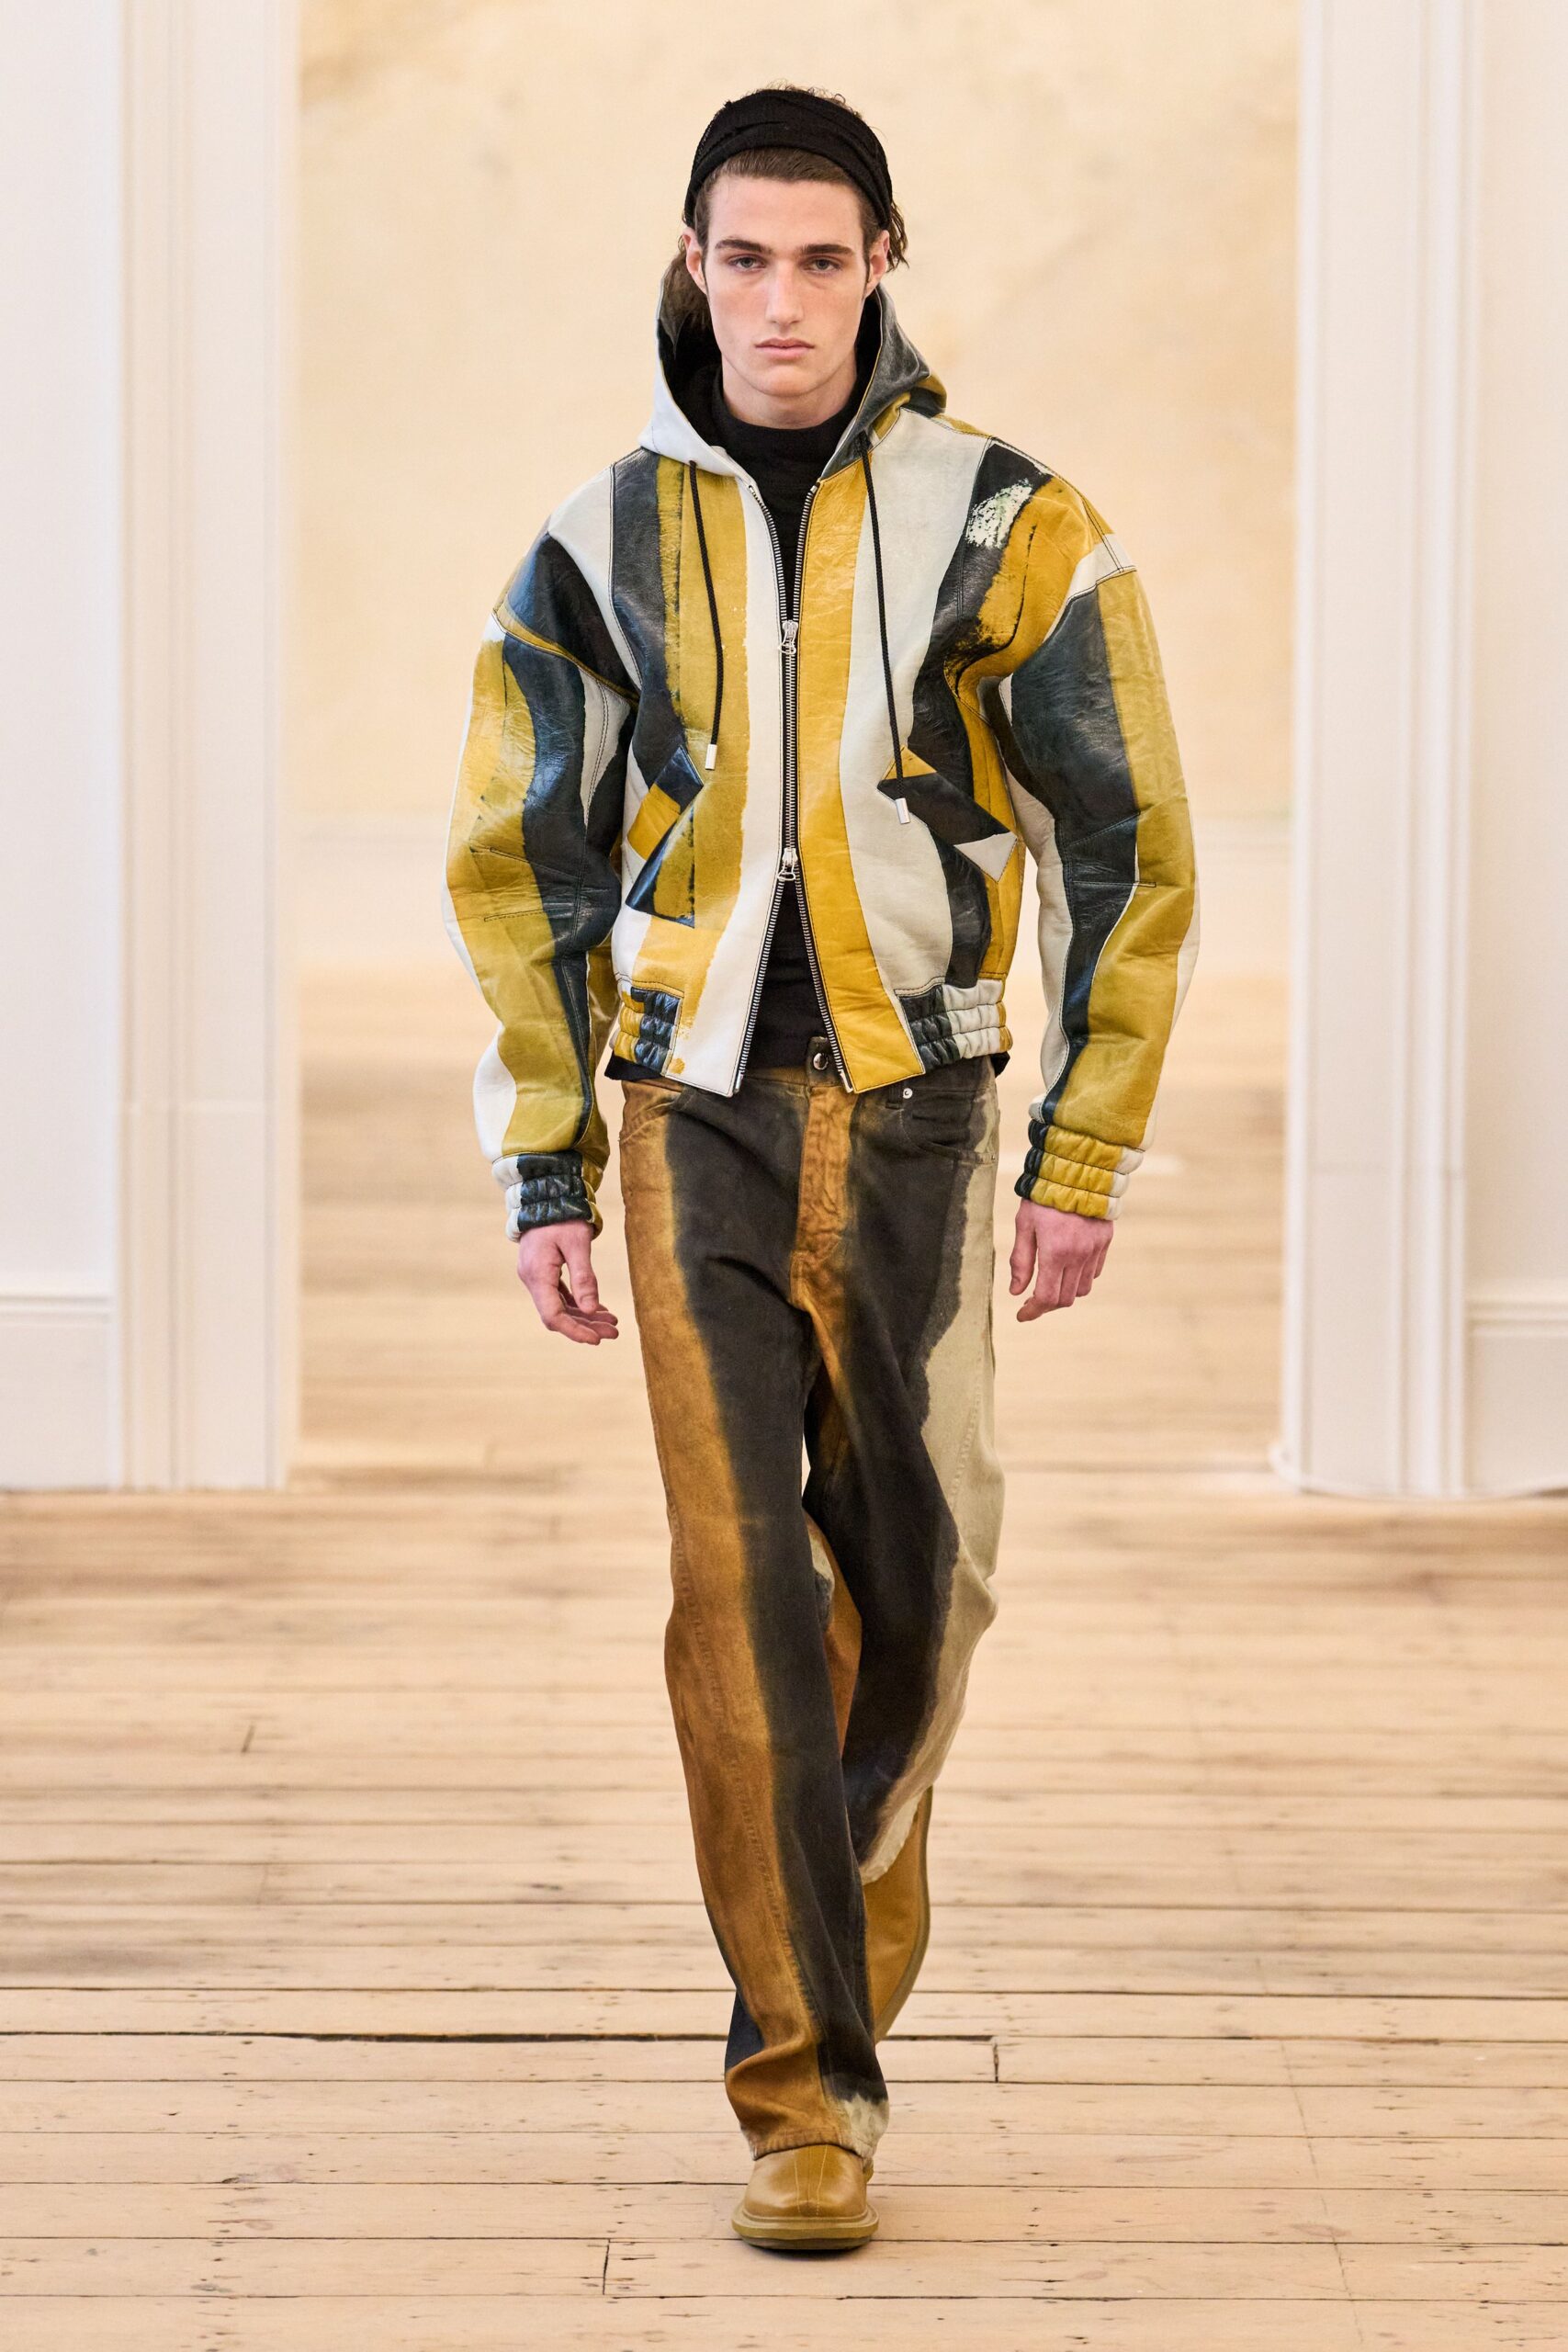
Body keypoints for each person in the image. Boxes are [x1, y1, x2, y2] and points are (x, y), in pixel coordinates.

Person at [444, 83, 1199, 2252]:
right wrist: (543, 1159)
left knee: (922, 1596)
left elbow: (1126, 845)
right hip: (688, 1116)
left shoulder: (1009, 525)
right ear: (691, 266)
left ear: (881, 266)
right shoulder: (592, 542)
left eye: (819, 257)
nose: (778, 299)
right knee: (743, 1595)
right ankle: (804, 2086)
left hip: (923, 1116)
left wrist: (1083, 1144)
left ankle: (822, 1929)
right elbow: (523, 860)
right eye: (741, 256)